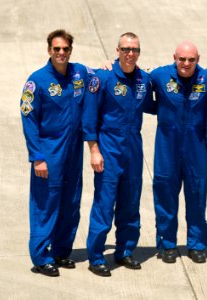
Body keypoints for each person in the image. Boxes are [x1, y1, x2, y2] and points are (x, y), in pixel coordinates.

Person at [82, 32, 155, 276]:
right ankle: (96, 256)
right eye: (125, 49)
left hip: (133, 149)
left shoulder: (144, 79)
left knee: (130, 203)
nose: (130, 53)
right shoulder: (101, 77)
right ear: (117, 50)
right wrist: (94, 150)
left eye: (134, 49)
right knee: (104, 203)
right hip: (109, 148)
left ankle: (124, 251)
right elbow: (90, 117)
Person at [20, 29, 90, 277]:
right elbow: (28, 119)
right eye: (57, 49)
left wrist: (107, 64)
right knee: (46, 203)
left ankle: (61, 251)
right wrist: (37, 156)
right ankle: (41, 257)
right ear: (49, 50)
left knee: (71, 202)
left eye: (66, 49)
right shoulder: (36, 81)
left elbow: (101, 77)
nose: (61, 53)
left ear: (71, 50)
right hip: (49, 152)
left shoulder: (80, 73)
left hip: (74, 150)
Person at [150, 42, 207, 264]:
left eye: (192, 60)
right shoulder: (159, 76)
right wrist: (108, 64)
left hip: (196, 147)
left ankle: (196, 244)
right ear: (174, 57)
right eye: (182, 59)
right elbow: (133, 76)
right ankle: (167, 244)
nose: (186, 64)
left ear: (198, 59)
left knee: (197, 195)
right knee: (165, 195)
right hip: (167, 147)